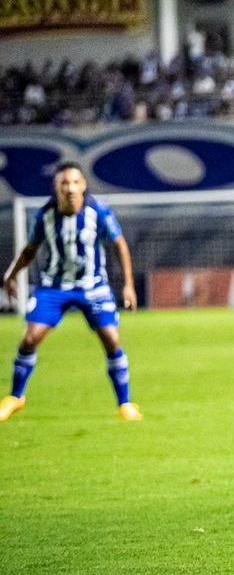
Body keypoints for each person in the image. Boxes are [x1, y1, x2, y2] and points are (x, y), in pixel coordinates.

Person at [2, 162, 140, 421]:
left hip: (93, 286)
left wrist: (128, 285)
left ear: (83, 186)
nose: (70, 188)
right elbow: (30, 249)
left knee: (111, 340)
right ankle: (15, 398)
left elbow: (119, 244)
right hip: (53, 286)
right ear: (57, 187)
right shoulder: (44, 216)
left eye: (75, 183)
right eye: (64, 183)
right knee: (30, 339)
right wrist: (11, 274)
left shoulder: (97, 211)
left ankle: (126, 404)